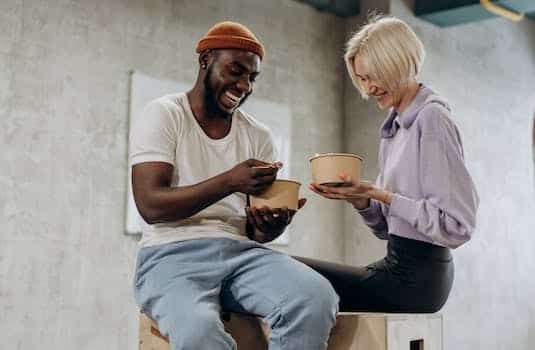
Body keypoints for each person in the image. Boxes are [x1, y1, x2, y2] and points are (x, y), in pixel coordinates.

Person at [130, 21, 338, 350]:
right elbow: (150, 205)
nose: (243, 85)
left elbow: (257, 235)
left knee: (315, 296)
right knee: (199, 332)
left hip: (243, 255)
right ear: (205, 61)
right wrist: (229, 181)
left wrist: (271, 225)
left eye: (252, 77)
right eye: (235, 70)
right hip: (170, 255)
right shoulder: (165, 115)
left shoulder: (258, 136)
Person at [307, 16, 479, 313]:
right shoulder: (394, 128)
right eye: (361, 78)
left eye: (375, 76)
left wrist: (382, 195)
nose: (369, 87)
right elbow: (387, 229)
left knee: (292, 274)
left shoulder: (431, 119)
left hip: (420, 278)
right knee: (289, 275)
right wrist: (362, 199)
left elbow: (457, 226)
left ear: (400, 65)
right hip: (397, 266)